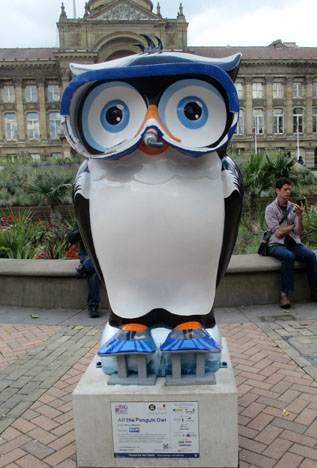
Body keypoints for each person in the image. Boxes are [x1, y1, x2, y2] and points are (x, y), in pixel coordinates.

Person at [265, 177, 317, 308]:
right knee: (288, 256)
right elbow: (277, 233)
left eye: (289, 189)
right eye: (285, 189)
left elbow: (299, 232)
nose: (288, 192)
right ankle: (285, 295)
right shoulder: (270, 209)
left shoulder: (294, 208)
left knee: (311, 256)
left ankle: (315, 290)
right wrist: (291, 227)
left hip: (293, 242)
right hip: (275, 244)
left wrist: (299, 216)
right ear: (277, 190)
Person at [68, 222, 100, 318]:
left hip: (101, 255)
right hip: (87, 255)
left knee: (93, 264)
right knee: (93, 271)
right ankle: (93, 305)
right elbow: (71, 239)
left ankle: (84, 268)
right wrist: (82, 229)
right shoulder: (81, 219)